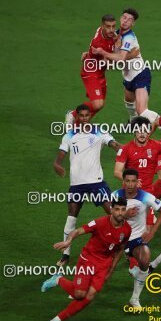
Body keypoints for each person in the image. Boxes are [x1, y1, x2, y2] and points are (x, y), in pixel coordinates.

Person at [41, 197, 131, 321]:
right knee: (79, 295)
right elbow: (78, 230)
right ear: (111, 210)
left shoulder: (127, 229)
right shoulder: (100, 223)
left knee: (90, 296)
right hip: (88, 259)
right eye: (117, 209)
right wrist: (68, 241)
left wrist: (111, 269)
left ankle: (56, 320)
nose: (120, 213)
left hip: (103, 265)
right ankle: (58, 279)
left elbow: (119, 249)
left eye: (123, 210)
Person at [54, 104, 121, 266]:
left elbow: (114, 144)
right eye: (81, 116)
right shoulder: (69, 135)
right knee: (71, 218)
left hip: (96, 182)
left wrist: (123, 152)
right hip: (76, 184)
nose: (84, 118)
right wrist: (57, 163)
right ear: (76, 117)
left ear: (90, 116)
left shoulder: (99, 131)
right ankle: (65, 254)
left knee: (114, 214)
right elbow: (61, 153)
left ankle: (121, 247)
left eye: (86, 115)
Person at [65, 14, 138, 125]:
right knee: (97, 104)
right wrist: (129, 55)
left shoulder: (103, 32)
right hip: (90, 72)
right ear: (102, 26)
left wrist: (89, 53)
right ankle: (73, 114)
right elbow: (111, 64)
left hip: (100, 72)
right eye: (108, 27)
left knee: (100, 105)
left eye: (113, 26)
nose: (111, 30)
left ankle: (76, 125)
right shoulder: (99, 43)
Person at [92, 8, 160, 125]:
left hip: (140, 74)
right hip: (128, 76)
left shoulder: (129, 38)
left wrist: (103, 53)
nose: (125, 21)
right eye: (124, 18)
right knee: (129, 102)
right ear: (120, 18)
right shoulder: (116, 35)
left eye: (129, 20)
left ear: (133, 24)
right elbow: (115, 62)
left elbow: (120, 58)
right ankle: (133, 121)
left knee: (141, 110)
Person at [113, 168, 161, 307]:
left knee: (145, 259)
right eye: (127, 181)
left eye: (133, 181)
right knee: (106, 268)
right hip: (116, 237)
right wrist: (124, 215)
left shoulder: (146, 196)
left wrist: (152, 232)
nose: (130, 185)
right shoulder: (114, 196)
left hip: (136, 238)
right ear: (123, 182)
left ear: (137, 182)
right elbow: (109, 219)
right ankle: (80, 287)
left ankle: (134, 298)